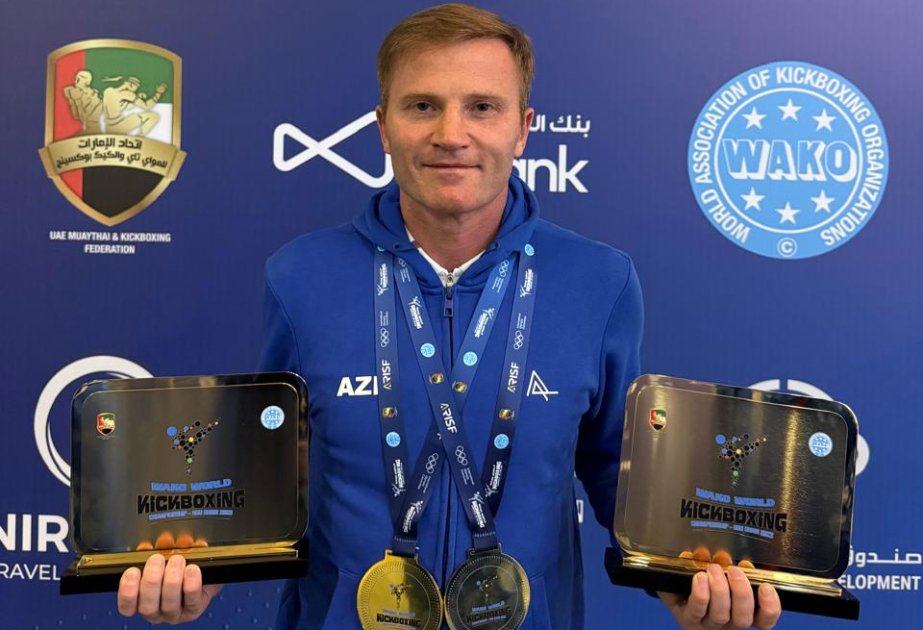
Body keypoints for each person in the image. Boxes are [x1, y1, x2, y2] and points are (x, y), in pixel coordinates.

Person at [116, 4, 782, 629]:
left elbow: (618, 468)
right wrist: (205, 568)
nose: (450, 134)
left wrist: (680, 578)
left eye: (482, 107)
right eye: (422, 106)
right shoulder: (300, 276)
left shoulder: (600, 281)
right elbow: (267, 468)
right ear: (383, 127)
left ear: (522, 129)